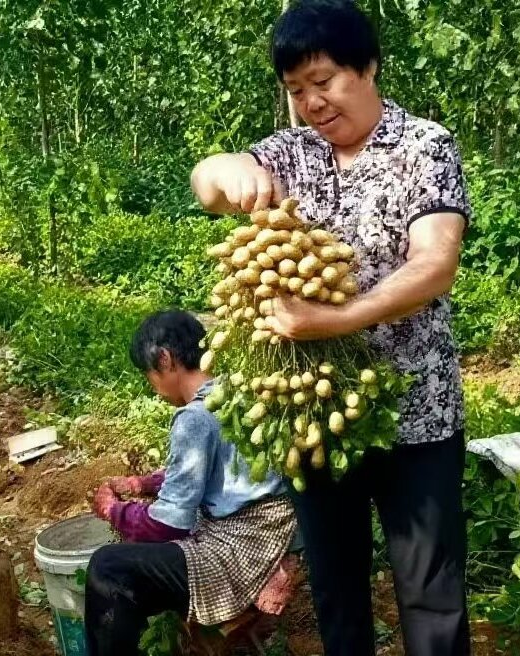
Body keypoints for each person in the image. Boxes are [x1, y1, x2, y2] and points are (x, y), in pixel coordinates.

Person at [189, 1, 472, 655]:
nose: (312, 103)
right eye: (296, 91)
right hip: (309, 415)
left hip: (416, 416)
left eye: (324, 82)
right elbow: (209, 186)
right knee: (338, 595)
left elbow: (435, 262)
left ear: (368, 66)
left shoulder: (422, 146)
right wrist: (222, 166)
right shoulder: (288, 154)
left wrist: (334, 321)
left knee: (432, 598)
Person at [84, 310, 297, 656]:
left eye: (149, 374)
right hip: (271, 532)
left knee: (109, 567)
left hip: (239, 550)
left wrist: (115, 512)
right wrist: (144, 483)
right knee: (127, 575)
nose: (153, 387)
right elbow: (219, 469)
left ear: (165, 359)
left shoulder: (194, 417)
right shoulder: (236, 393)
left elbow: (170, 524)